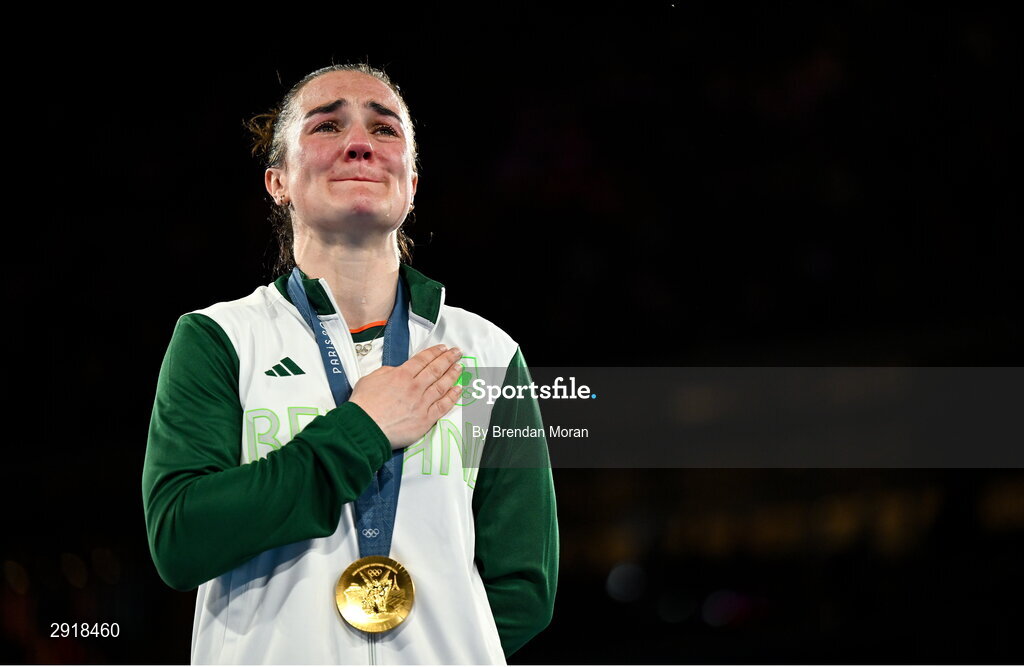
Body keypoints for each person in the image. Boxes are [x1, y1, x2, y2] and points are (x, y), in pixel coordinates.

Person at [142, 63, 558, 664]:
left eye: (385, 130)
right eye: (327, 125)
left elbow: (526, 586)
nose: (359, 142)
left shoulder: (489, 354)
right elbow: (180, 538)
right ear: (278, 180)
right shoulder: (219, 339)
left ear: (412, 182)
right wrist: (360, 430)